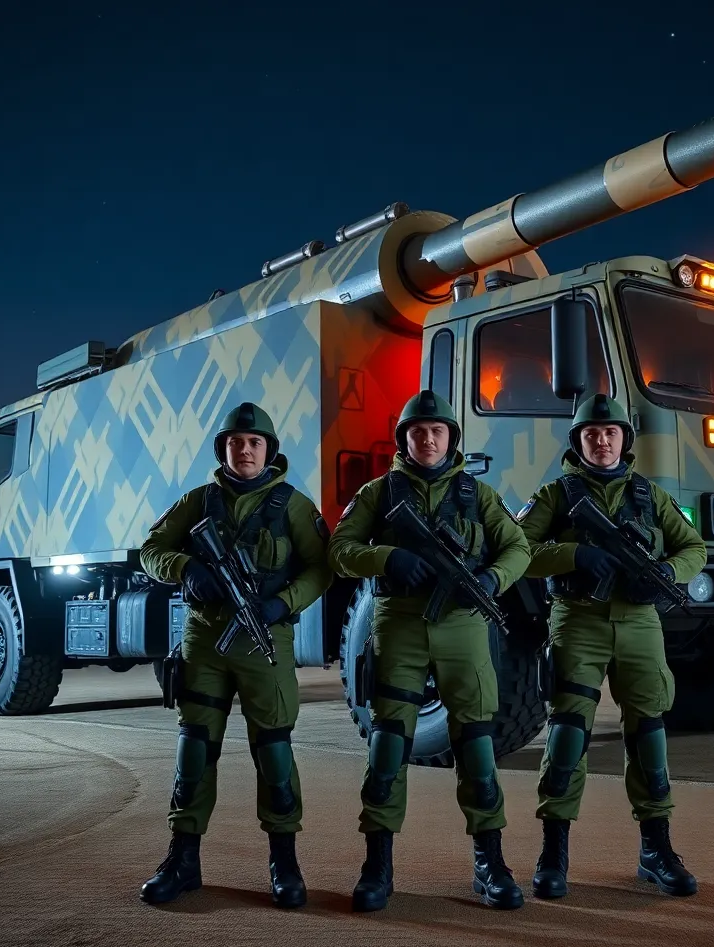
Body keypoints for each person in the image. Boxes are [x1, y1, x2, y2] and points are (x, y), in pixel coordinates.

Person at [327, 390, 531, 913]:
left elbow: (518, 548)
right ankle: (378, 864)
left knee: (478, 747)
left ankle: (491, 863)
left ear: (450, 438)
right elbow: (340, 550)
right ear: (405, 439)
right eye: (418, 432)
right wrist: (387, 558)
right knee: (389, 745)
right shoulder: (379, 492)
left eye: (437, 431)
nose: (428, 439)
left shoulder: (477, 495)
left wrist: (491, 575)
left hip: (465, 628)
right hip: (399, 626)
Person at [137, 402, 332, 908]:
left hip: (265, 641)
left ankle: (284, 862)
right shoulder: (198, 501)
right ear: (222, 449)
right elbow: (151, 550)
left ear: (269, 450)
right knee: (195, 748)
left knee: (274, 752)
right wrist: (186, 570)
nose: (244, 450)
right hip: (205, 639)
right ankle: (182, 859)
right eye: (234, 443)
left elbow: (322, 569)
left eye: (254, 443)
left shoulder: (292, 505)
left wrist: (282, 602)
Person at [516, 393, 707, 899]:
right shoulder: (557, 495)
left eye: (611, 433)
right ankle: (553, 852)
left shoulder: (648, 495)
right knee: (568, 735)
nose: (602, 441)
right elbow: (518, 550)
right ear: (578, 442)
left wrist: (667, 571)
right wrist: (574, 554)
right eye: (591, 434)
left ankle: (656, 850)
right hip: (578, 622)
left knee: (648, 734)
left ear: (625, 439)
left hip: (640, 624)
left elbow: (695, 548)